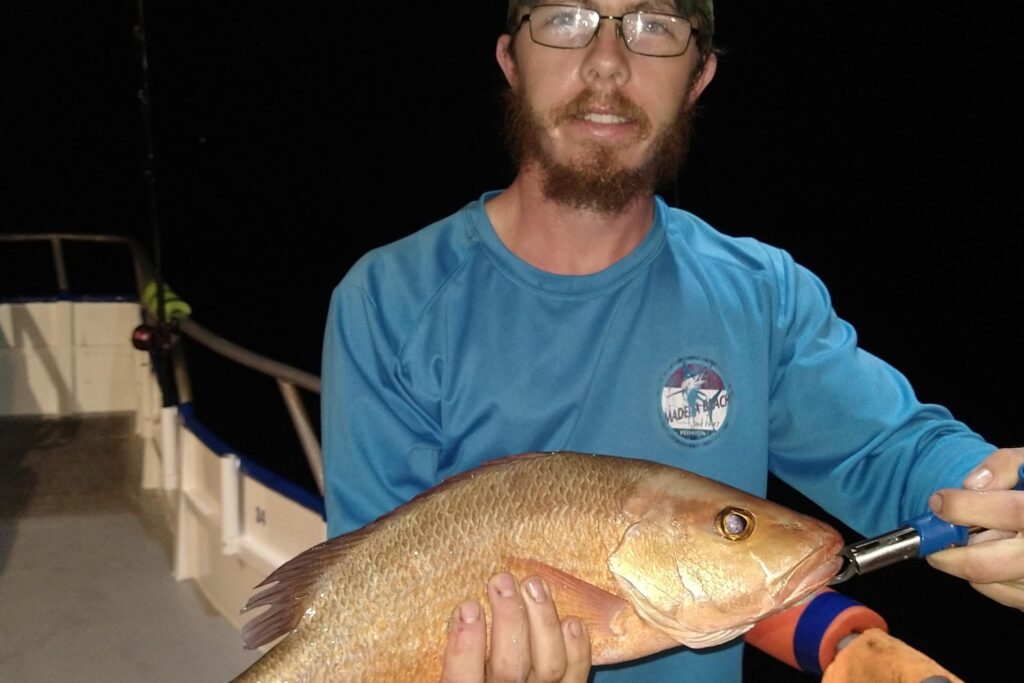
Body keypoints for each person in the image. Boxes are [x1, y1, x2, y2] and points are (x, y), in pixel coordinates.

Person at [321, 1, 1024, 681]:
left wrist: (1002, 495)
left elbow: (892, 451)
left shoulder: (760, 294)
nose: (606, 63)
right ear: (511, 57)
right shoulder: (389, 302)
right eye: (567, 18)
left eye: (653, 24)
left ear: (699, 75)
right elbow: (371, 600)